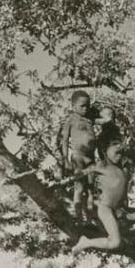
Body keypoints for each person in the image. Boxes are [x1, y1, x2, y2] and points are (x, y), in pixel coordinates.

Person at [72, 136, 135, 253]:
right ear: (104, 151)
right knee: (115, 243)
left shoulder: (123, 169)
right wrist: (64, 182)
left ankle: (125, 228)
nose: (119, 155)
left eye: (121, 153)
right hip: (105, 208)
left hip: (121, 210)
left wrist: (125, 210)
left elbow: (124, 193)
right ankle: (86, 242)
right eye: (116, 152)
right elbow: (80, 174)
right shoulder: (101, 165)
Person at [59, 90, 99, 221]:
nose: (85, 108)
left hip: (91, 158)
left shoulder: (90, 120)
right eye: (82, 106)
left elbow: (104, 120)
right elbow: (64, 140)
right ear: (73, 106)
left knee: (90, 189)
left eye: (87, 105)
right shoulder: (71, 120)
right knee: (79, 187)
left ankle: (90, 218)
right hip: (78, 157)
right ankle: (78, 217)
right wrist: (65, 160)